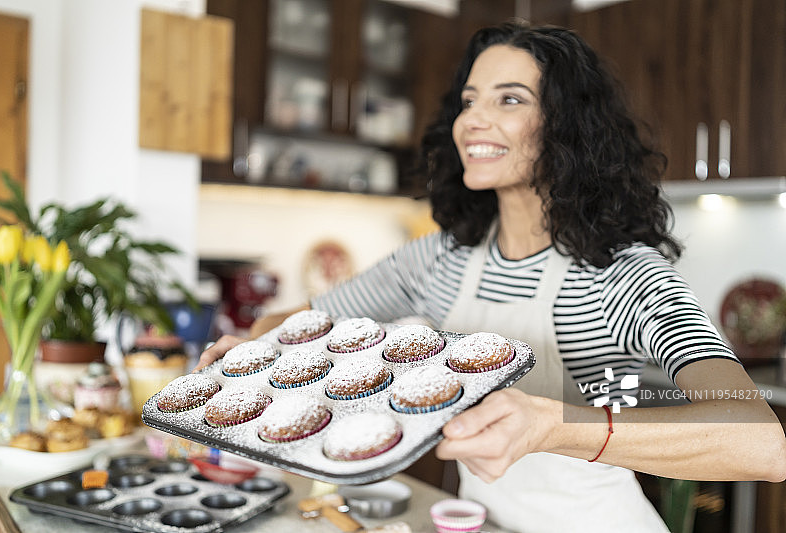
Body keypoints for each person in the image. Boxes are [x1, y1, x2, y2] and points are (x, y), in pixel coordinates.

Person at [197, 21, 786, 532]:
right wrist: (254, 349)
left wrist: (551, 427)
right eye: (469, 100)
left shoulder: (622, 276)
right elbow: (303, 322)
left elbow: (760, 442)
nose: (473, 120)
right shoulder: (437, 259)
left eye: (509, 100)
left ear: (567, 125)